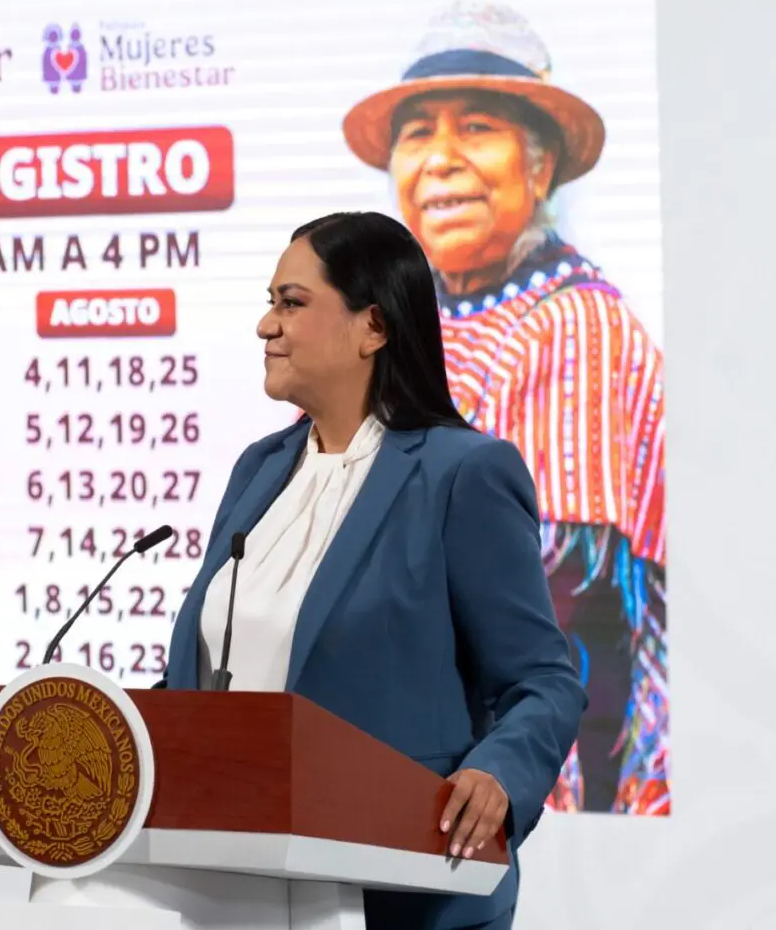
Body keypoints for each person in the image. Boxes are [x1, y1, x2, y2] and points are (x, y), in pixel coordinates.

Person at [161, 211, 585, 930]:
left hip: (400, 891)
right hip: (236, 885)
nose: (267, 326)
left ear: (375, 327)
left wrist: (500, 776)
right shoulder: (258, 471)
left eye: (292, 303)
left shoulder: (463, 474)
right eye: (270, 303)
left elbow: (543, 679)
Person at [341, 1, 668, 815]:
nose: (441, 162)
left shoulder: (570, 320)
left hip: (534, 770)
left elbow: (550, 604)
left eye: (477, 127)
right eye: (417, 136)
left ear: (541, 166)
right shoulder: (420, 322)